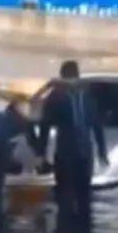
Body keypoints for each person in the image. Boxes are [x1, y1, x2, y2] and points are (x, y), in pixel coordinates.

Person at [35, 60, 108, 216]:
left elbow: (44, 125)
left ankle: (70, 231)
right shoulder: (84, 95)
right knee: (77, 198)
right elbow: (97, 125)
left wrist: (40, 153)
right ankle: (78, 231)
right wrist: (102, 151)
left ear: (62, 76)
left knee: (72, 199)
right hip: (78, 153)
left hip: (70, 154)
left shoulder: (59, 96)